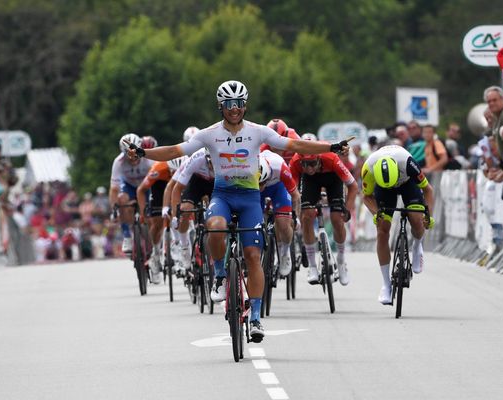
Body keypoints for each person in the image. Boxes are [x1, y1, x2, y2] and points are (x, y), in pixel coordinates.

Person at [123, 80, 350, 342]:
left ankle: (255, 317)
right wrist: (142, 152)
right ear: (221, 106)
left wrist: (330, 147)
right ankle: (219, 274)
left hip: (250, 199)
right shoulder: (209, 134)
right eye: (229, 104)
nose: (234, 109)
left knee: (253, 256)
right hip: (223, 196)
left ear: (245, 105)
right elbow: (175, 150)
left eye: (239, 104)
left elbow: (296, 147)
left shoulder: (258, 131)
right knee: (215, 228)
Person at [360, 145, 435, 305]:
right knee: (382, 231)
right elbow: (366, 197)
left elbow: (428, 190)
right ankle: (386, 285)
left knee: (416, 219)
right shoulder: (368, 168)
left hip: (408, 184)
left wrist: (429, 215)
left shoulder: (408, 163)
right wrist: (376, 213)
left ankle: (417, 245)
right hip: (383, 189)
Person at [289, 150, 358, 286]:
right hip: (310, 182)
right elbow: (292, 190)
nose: (309, 168)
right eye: (305, 164)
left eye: (312, 164)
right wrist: (294, 212)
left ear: (319, 160)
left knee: (337, 218)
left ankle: (341, 260)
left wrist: (347, 209)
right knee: (307, 217)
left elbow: (353, 186)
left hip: (333, 179)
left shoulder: (331, 159)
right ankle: (313, 267)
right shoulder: (296, 161)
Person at [169, 149, 213, 273]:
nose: (212, 165)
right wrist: (175, 216)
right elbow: (176, 189)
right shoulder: (196, 158)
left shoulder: (227, 159)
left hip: (216, 183)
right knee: (185, 210)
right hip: (196, 183)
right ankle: (184, 246)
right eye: (210, 162)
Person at [109, 133, 154, 253]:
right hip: (129, 186)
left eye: (135, 154)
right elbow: (114, 189)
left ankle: (153, 241)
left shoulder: (148, 159)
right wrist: (114, 210)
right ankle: (127, 236)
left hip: (146, 186)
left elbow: (157, 181)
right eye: (128, 154)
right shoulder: (118, 162)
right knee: (122, 201)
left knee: (151, 213)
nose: (132, 158)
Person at [259, 149, 301, 276]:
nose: (261, 186)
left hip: (279, 187)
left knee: (283, 223)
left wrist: (295, 216)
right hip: (253, 189)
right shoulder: (248, 167)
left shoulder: (280, 167)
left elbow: (295, 196)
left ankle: (284, 253)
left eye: (263, 183)